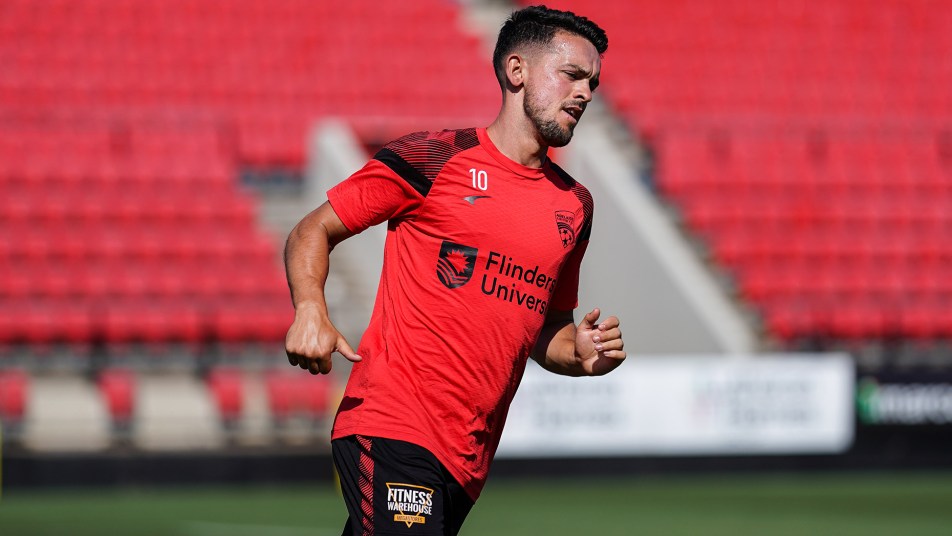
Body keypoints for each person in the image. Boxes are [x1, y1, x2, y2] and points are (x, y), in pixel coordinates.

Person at [284, 5, 624, 535]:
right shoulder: (435, 157)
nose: (584, 93)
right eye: (572, 75)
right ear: (517, 71)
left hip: (466, 461)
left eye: (593, 83)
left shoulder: (575, 207)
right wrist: (311, 308)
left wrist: (579, 353)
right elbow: (312, 230)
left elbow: (547, 332)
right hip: (392, 426)